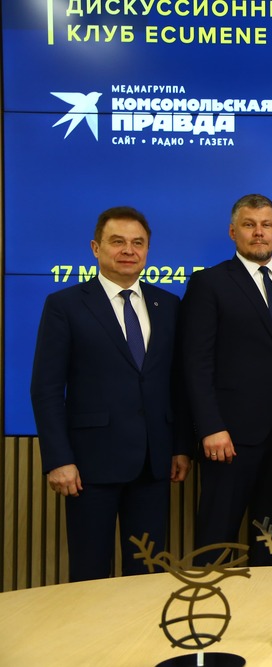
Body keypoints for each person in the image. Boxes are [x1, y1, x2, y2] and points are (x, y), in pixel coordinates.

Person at [30, 206, 189, 581]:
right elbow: (46, 388)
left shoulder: (168, 305)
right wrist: (58, 459)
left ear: (147, 250)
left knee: (148, 573)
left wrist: (180, 446)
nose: (128, 251)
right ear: (95, 248)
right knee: (90, 574)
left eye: (138, 243)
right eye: (118, 242)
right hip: (89, 466)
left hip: (153, 464)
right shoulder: (65, 305)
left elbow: (178, 383)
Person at [180, 194, 272, 564]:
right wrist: (210, 427)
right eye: (249, 225)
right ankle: (205, 603)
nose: (259, 232)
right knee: (215, 542)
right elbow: (195, 363)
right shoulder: (209, 283)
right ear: (233, 232)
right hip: (228, 439)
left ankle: (266, 605)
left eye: (266, 225)